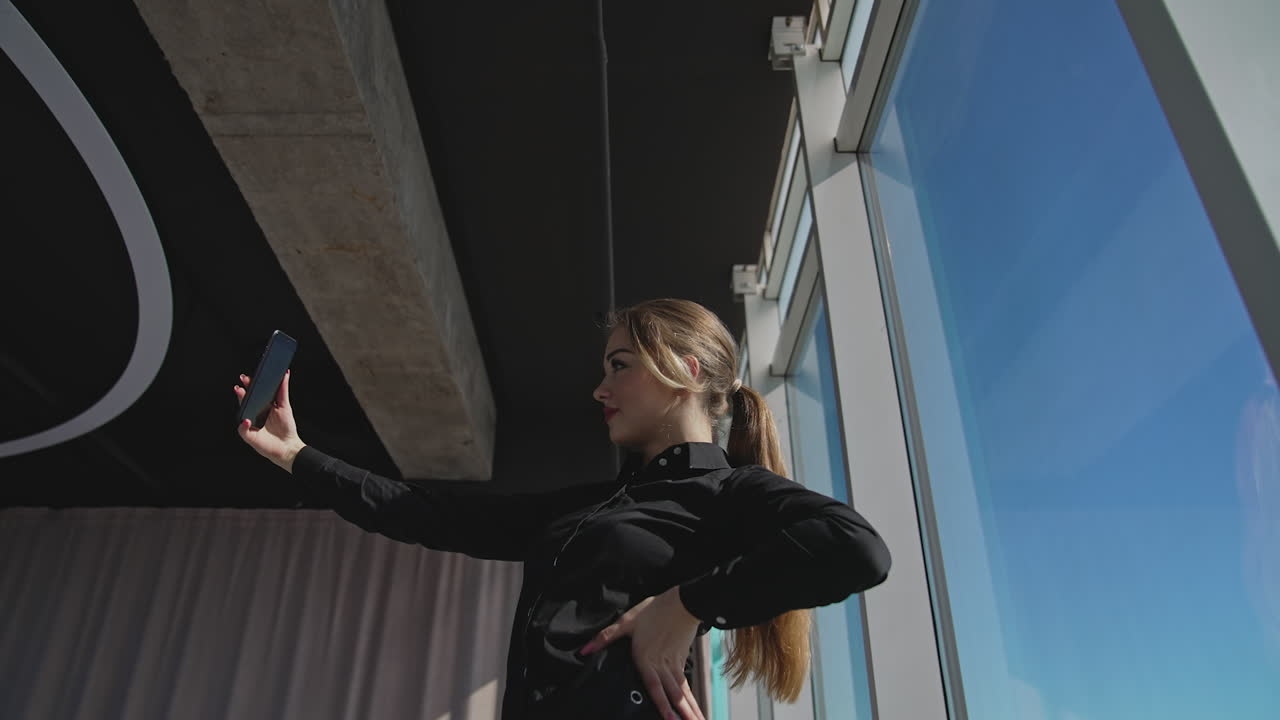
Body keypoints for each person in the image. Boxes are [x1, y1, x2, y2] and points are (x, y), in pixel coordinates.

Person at [233, 298, 891, 720]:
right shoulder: (592, 507)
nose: (600, 388)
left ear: (686, 373)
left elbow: (855, 548)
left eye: (620, 365)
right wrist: (297, 455)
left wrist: (686, 604)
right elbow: (427, 513)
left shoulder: (727, 493)